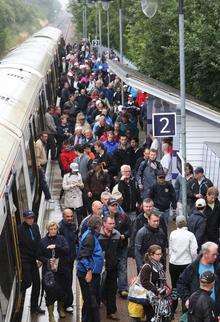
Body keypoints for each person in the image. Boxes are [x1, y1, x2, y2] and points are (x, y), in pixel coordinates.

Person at [177, 241, 220, 315]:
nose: (216, 257)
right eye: (213, 255)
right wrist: (187, 299)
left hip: (215, 309)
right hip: (198, 310)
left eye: (217, 254)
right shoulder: (193, 267)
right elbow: (181, 284)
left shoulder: (217, 266)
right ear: (205, 254)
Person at [38, 221, 69, 321]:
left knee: (62, 290)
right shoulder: (43, 241)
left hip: (61, 270)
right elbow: (38, 255)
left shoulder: (61, 239)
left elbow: (66, 250)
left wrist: (56, 247)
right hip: (48, 272)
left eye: (55, 229)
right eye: (51, 229)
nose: (53, 231)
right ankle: (51, 315)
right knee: (50, 291)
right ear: (48, 230)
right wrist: (47, 260)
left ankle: (60, 309)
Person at [169, 215, 198, 316]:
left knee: (174, 286)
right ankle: (185, 308)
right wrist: (194, 262)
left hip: (174, 264)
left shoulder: (172, 233)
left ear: (176, 223)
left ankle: (173, 309)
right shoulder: (190, 235)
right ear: (186, 223)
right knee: (186, 286)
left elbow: (170, 248)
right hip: (187, 264)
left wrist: (173, 258)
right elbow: (194, 251)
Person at [77, 216, 104, 322]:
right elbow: (83, 256)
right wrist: (89, 271)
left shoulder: (91, 235)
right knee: (91, 302)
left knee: (90, 301)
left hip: (92, 273)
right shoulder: (89, 237)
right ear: (97, 226)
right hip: (88, 274)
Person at [18, 210, 44, 315]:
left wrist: (40, 258)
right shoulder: (19, 230)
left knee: (37, 284)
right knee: (27, 281)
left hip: (34, 259)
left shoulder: (35, 227)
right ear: (24, 218)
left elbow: (38, 242)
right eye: (29, 218)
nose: (31, 220)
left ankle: (34, 307)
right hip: (25, 259)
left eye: (32, 218)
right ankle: (20, 296)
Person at [137, 245, 168, 322]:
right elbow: (144, 282)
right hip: (149, 297)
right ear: (151, 255)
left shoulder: (159, 265)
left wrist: (166, 286)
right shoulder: (147, 267)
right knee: (151, 317)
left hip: (158, 296)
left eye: (161, 254)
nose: (160, 256)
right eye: (158, 254)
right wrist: (156, 290)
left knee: (159, 316)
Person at [107, 197, 131, 298]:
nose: (114, 207)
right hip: (109, 248)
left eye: (116, 205)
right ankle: (110, 287)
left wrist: (124, 236)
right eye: (112, 205)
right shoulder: (104, 217)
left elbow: (130, 229)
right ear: (108, 206)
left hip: (122, 246)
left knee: (122, 267)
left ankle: (123, 289)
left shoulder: (123, 216)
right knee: (110, 268)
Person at [99, 216, 121, 320]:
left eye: (113, 224)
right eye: (110, 223)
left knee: (112, 289)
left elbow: (119, 249)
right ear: (104, 223)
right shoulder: (98, 235)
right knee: (100, 289)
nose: (112, 226)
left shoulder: (117, 235)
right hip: (100, 268)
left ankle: (111, 311)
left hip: (113, 267)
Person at [118, 164, 141, 256]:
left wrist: (140, 202)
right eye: (125, 171)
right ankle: (123, 247)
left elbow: (138, 192)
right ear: (122, 172)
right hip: (122, 210)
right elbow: (119, 191)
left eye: (129, 171)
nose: (127, 173)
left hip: (133, 210)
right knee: (123, 229)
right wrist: (121, 181)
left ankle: (131, 249)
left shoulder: (133, 181)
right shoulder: (119, 182)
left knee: (133, 229)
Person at [59, 209, 78, 313]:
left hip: (71, 259)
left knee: (68, 280)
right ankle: (67, 304)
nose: (70, 218)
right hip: (63, 260)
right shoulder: (60, 228)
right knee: (66, 281)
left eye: (71, 216)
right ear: (63, 216)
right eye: (68, 216)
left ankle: (66, 303)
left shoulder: (73, 226)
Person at [35, 131, 53, 202]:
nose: (46, 138)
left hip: (41, 165)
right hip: (39, 167)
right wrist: (39, 166)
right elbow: (36, 156)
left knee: (42, 182)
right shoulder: (38, 145)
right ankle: (48, 197)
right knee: (43, 182)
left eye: (47, 137)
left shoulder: (41, 143)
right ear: (41, 137)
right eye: (45, 137)